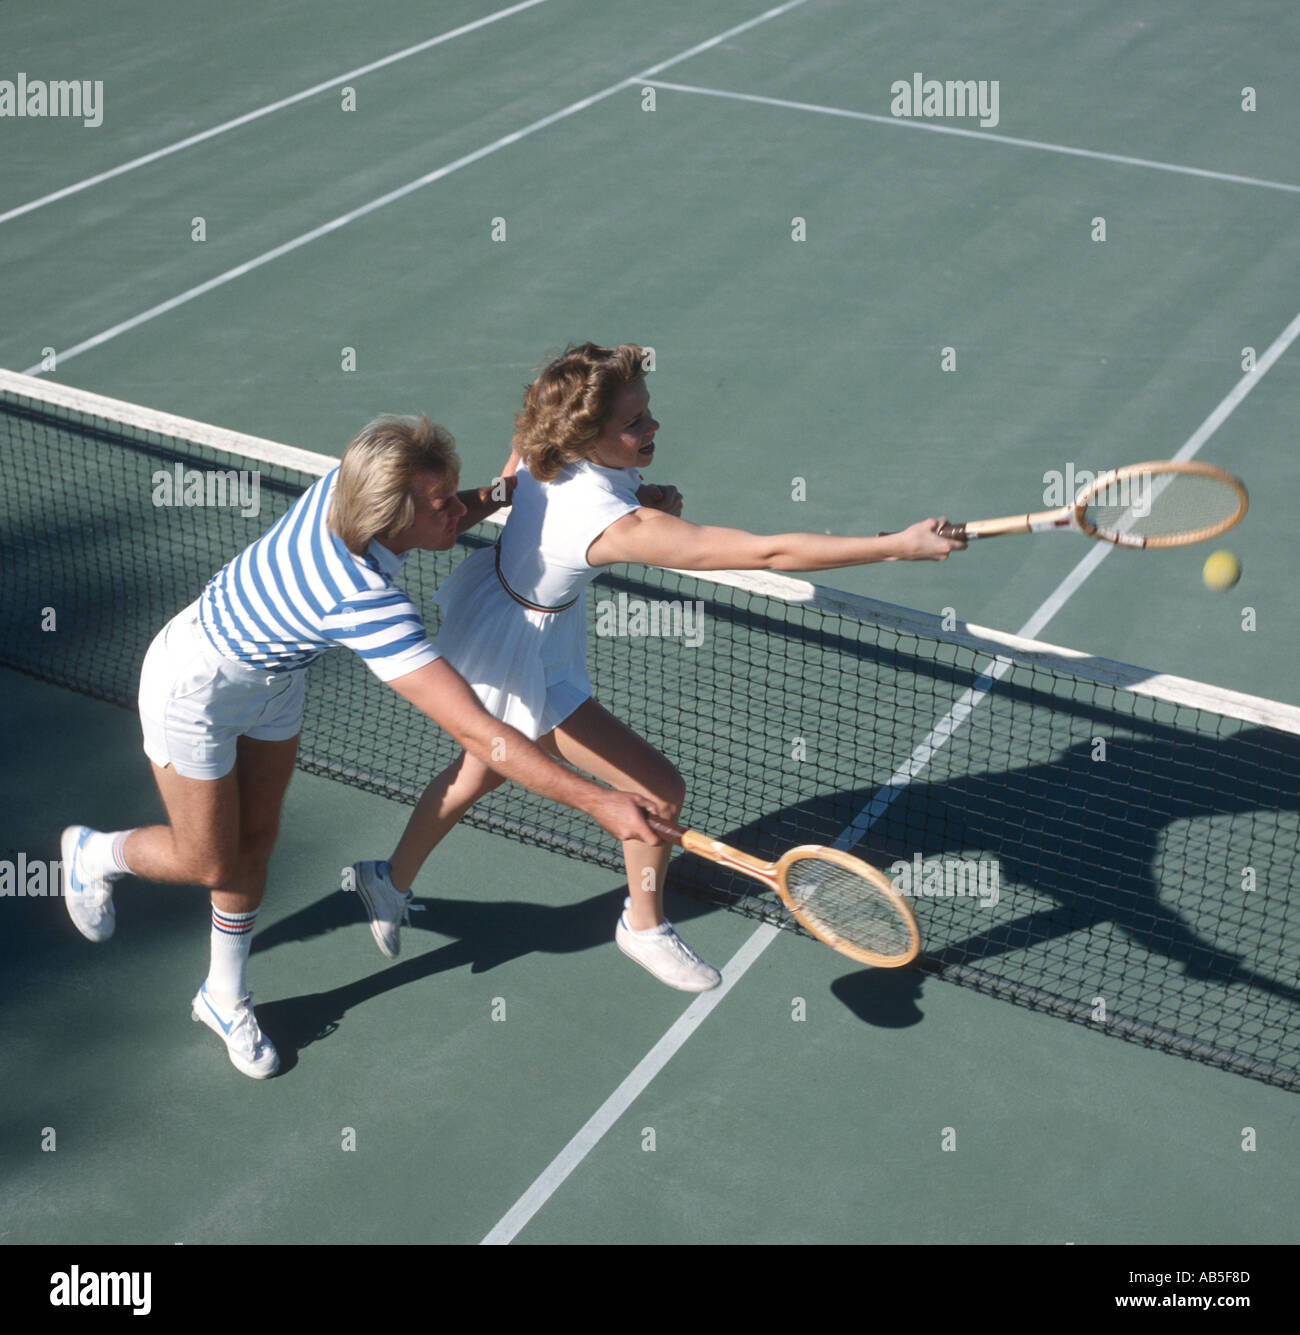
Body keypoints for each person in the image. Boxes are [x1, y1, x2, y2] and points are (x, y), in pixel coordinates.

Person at [61, 415, 664, 1079]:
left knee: (255, 844)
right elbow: (478, 731)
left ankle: (223, 995)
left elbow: (440, 512)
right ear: (392, 516)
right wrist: (600, 801)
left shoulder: (351, 487)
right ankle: (95, 852)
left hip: (275, 681)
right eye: (442, 505)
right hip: (193, 690)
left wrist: (498, 494)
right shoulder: (362, 601)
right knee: (209, 859)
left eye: (454, 493)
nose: (457, 509)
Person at [348, 344, 965, 991]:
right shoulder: (620, 526)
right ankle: (642, 925)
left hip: (507, 606)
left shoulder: (541, 442)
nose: (653, 427)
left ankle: (385, 881)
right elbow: (769, 551)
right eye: (634, 422)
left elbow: (533, 479)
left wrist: (645, 488)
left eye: (647, 411)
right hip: (518, 650)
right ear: (587, 436)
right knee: (657, 790)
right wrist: (897, 545)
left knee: (478, 772)